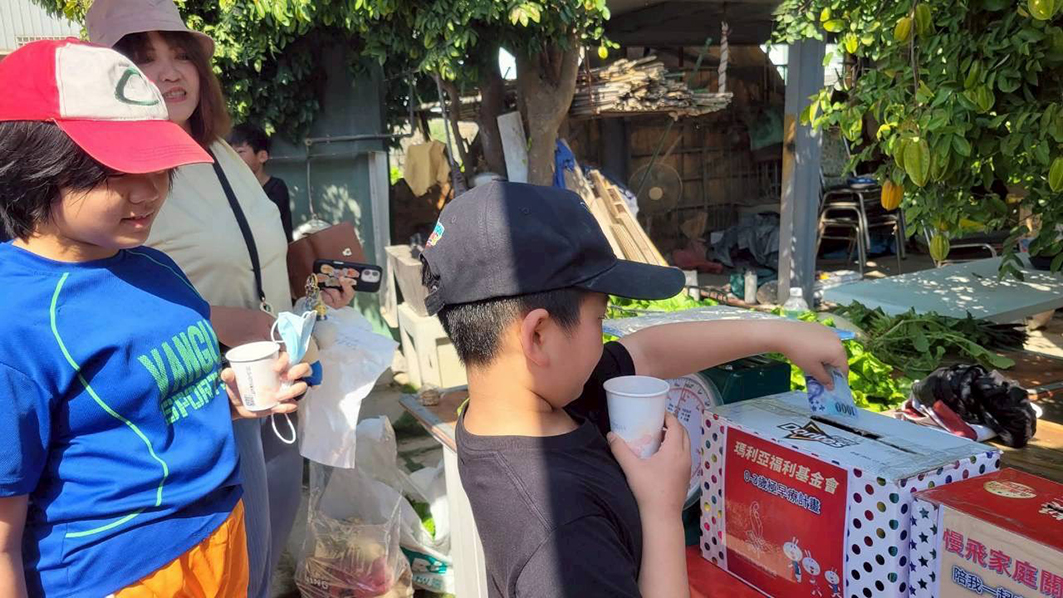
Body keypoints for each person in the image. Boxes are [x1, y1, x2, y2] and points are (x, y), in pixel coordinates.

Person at [420, 182, 849, 598]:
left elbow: (647, 353)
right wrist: (662, 509)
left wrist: (781, 334)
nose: (604, 337)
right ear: (537, 336)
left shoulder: (518, 401)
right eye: (599, 320)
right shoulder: (562, 538)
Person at [0, 39, 308, 597]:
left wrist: (229, 400)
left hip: (221, 536)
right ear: (32, 168)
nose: (148, 191)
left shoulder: (155, 266)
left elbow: (152, 404)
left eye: (158, 165)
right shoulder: (15, 318)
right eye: (114, 170)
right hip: (122, 572)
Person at [86, 2, 355, 595]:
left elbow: (252, 257)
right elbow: (99, 289)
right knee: (235, 564)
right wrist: (219, 320)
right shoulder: (109, 172)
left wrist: (314, 284)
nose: (170, 71)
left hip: (274, 378)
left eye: (180, 54)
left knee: (269, 546)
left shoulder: (219, 151)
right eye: (143, 58)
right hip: (203, 394)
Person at [230, 123, 294, 241]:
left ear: (262, 156)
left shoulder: (276, 188)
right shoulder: (230, 189)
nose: (233, 159)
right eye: (230, 154)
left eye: (240, 152)